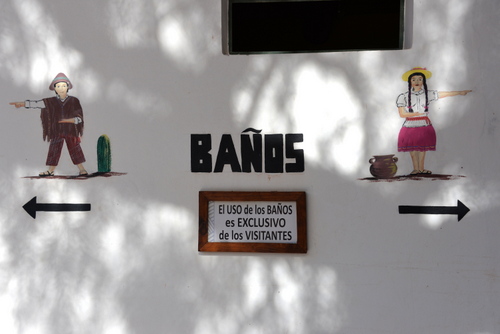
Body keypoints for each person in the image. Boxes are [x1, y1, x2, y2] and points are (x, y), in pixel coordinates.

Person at [396, 67, 471, 175]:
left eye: (419, 79)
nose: (417, 82)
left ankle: (421, 168)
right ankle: (415, 169)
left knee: (422, 148)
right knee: (413, 148)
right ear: (410, 81)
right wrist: (416, 114)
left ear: (423, 81)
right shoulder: (403, 97)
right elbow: (402, 114)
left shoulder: (427, 94)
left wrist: (459, 92)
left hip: (423, 124)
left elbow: (442, 94)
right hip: (410, 125)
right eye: (414, 79)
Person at [10, 73, 88, 176]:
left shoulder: (74, 101)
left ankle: (82, 169)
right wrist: (23, 104)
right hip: (57, 130)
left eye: (64, 86)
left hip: (70, 130)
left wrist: (73, 120)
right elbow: (37, 103)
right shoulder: (50, 101)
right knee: (54, 148)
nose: (61, 88)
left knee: (75, 148)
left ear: (68, 87)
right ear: (55, 88)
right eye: (58, 86)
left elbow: (79, 116)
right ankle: (50, 171)